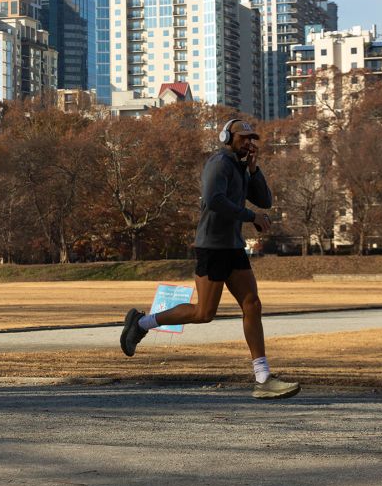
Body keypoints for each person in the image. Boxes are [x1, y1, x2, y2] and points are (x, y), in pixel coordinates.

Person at [119, 118, 301, 400]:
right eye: (243, 137)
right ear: (226, 137)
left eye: (252, 138)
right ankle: (142, 323)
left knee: (252, 304)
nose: (249, 143)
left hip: (233, 247)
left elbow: (265, 201)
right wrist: (250, 216)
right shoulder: (219, 163)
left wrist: (254, 169)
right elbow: (214, 199)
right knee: (204, 314)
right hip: (212, 247)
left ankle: (263, 377)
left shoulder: (242, 168)